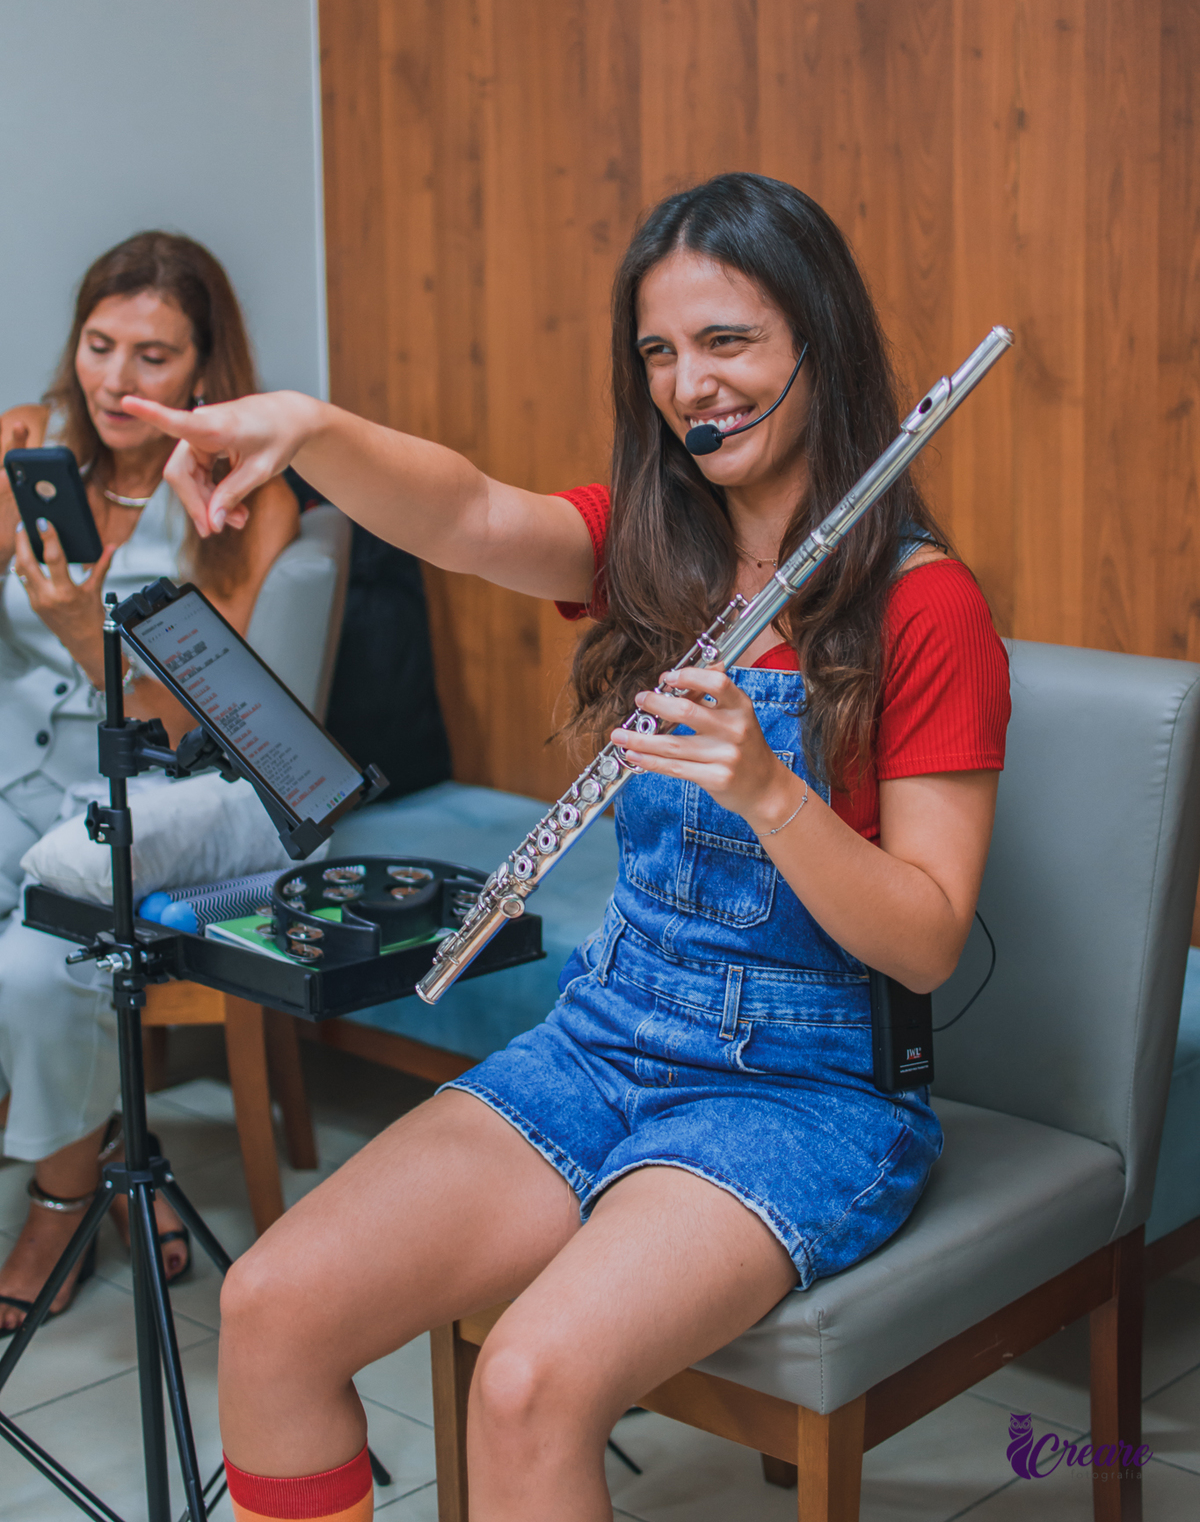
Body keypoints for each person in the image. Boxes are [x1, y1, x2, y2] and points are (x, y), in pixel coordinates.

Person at [131, 176, 1010, 1522]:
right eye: (660, 353)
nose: (688, 384)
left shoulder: (926, 609)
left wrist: (773, 794)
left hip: (804, 1091)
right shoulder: (657, 550)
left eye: (728, 342)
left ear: (815, 348)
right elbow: (471, 514)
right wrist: (309, 430)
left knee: (527, 1381)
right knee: (273, 1306)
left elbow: (929, 935)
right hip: (609, 1036)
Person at [0, 231, 299, 1335]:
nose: (116, 381)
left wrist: (87, 633)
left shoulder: (240, 503)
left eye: (154, 356)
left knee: (34, 971)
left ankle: (59, 1203)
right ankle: (119, 1139)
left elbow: (203, 725)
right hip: (16, 770)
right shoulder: (31, 462)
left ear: (207, 373)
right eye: (98, 345)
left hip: (161, 800)